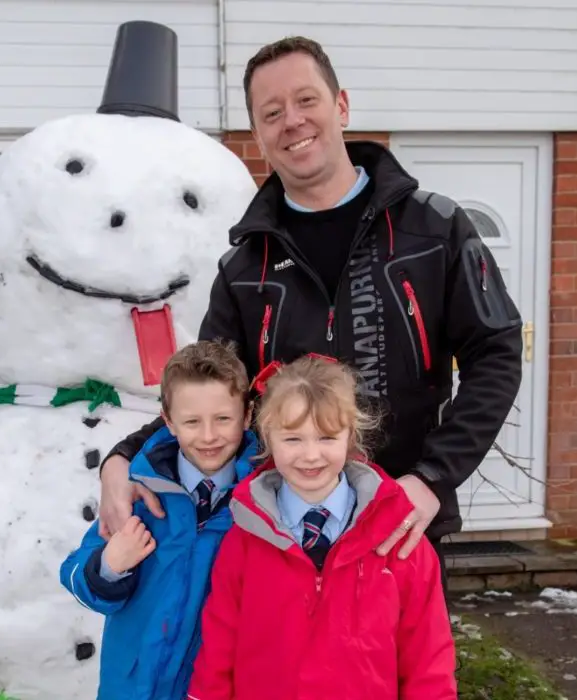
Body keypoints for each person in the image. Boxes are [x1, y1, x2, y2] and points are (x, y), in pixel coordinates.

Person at [98, 35, 523, 579]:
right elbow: (205, 389)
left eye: (306, 100)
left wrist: (433, 478)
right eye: (271, 113)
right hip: (285, 544)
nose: (292, 121)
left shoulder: (433, 230)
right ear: (258, 135)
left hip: (401, 533)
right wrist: (123, 457)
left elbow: (497, 352)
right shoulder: (245, 267)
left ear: (341, 106)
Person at [187, 354, 457, 700]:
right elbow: (218, 651)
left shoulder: (400, 541)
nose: (311, 455)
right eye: (293, 439)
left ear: (350, 435)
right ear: (268, 436)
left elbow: (428, 662)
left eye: (326, 438)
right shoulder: (244, 539)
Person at [59, 340, 258, 700]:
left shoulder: (260, 507)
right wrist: (109, 567)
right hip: (130, 689)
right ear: (167, 421)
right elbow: (75, 575)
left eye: (223, 419)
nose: (209, 436)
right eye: (192, 421)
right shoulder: (140, 491)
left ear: (246, 416)